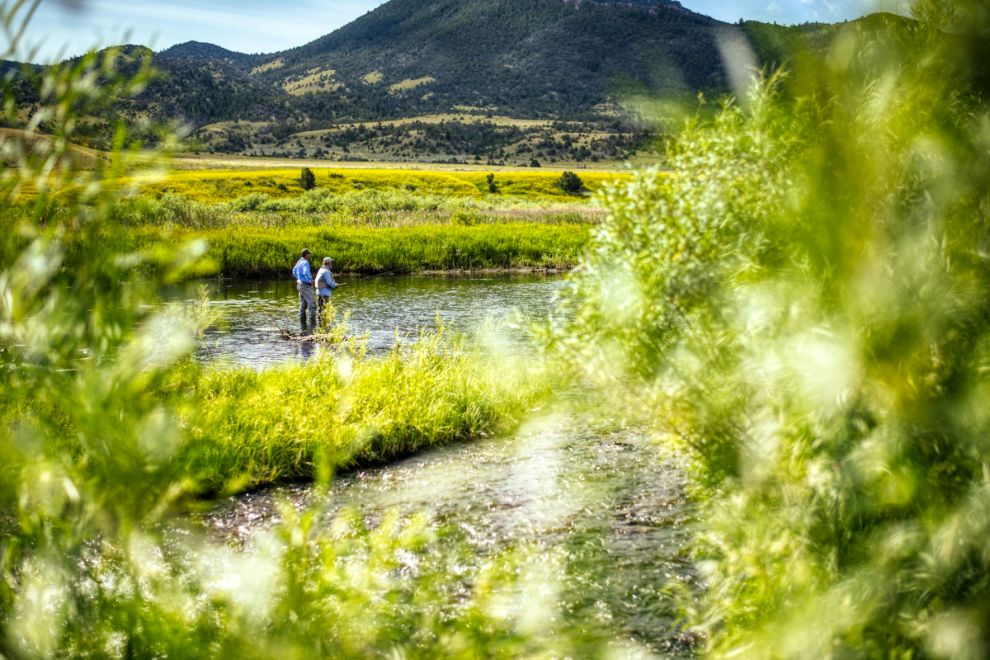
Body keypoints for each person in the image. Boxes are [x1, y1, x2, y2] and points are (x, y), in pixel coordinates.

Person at [291, 248, 316, 334]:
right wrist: (310, 280)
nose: (310, 255)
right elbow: (306, 272)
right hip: (306, 286)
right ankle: (313, 325)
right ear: (306, 254)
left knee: (303, 306)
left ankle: (303, 325)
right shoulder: (305, 262)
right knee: (312, 305)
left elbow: (294, 271)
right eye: (309, 254)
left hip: (299, 285)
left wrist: (299, 279)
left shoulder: (299, 261)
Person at [315, 256, 340, 328]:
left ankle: (321, 326)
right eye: (331, 263)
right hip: (324, 293)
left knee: (321, 310)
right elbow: (329, 283)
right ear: (328, 263)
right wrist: (336, 285)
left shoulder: (321, 270)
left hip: (320, 292)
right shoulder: (325, 271)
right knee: (324, 310)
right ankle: (324, 327)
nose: (332, 264)